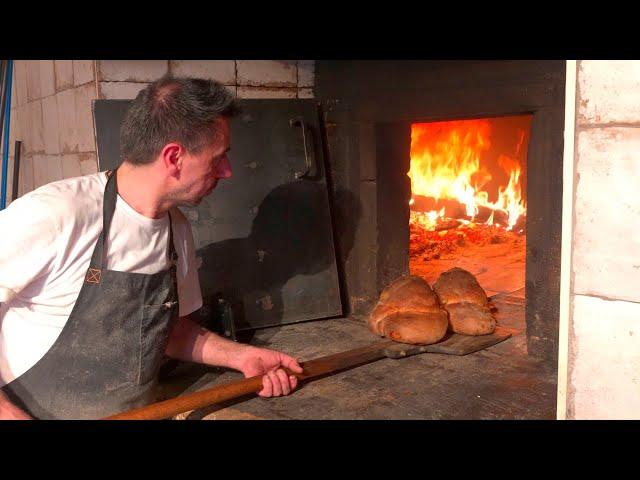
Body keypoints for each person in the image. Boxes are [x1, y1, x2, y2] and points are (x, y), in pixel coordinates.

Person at [0, 75, 302, 420]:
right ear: (174, 157)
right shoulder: (56, 214)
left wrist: (243, 357)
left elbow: (165, 331)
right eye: (218, 158)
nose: (227, 171)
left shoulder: (177, 231)